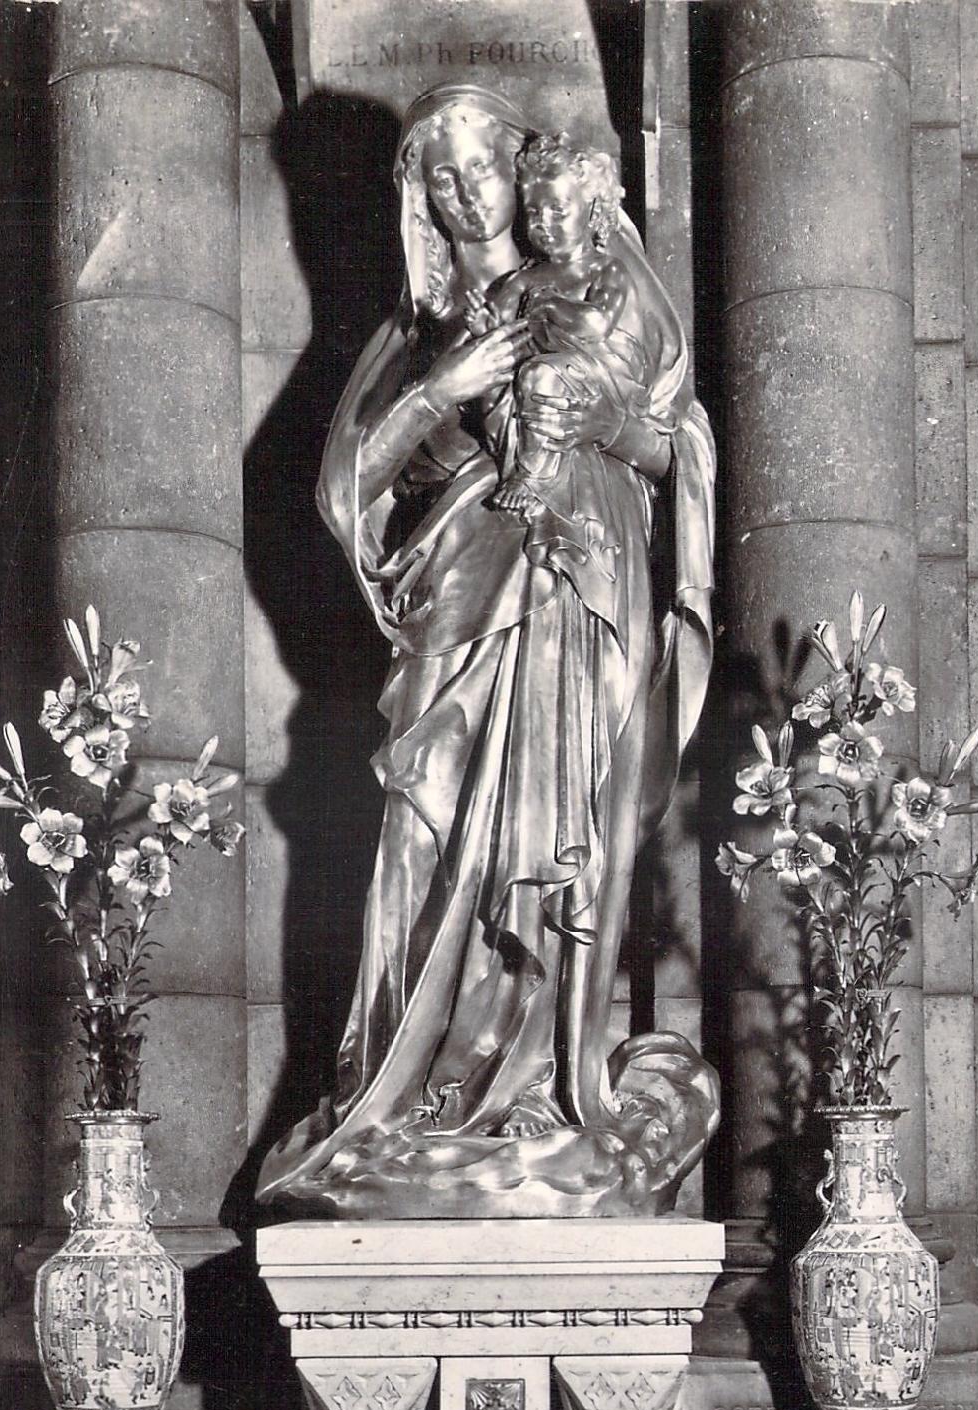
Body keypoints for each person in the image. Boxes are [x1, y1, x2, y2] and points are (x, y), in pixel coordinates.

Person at [256, 84, 720, 1218]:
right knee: (425, 837)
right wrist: (441, 392)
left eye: (485, 167)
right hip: (455, 610)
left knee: (565, 833)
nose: (471, 194)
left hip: (582, 585)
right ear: (420, 201)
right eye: (443, 179)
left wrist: (595, 420)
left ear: (524, 168)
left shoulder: (610, 286)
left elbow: (675, 442)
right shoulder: (412, 336)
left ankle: (549, 1096)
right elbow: (340, 488)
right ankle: (411, 1094)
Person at [471, 133, 649, 532]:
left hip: (595, 380)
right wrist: (485, 328)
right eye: (533, 212)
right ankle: (520, 458)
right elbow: (500, 322)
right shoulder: (524, 278)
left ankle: (534, 472)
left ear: (591, 207)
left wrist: (551, 305)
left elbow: (598, 324)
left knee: (541, 374)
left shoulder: (604, 269)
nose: (543, 223)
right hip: (534, 387)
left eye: (557, 209)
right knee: (524, 378)